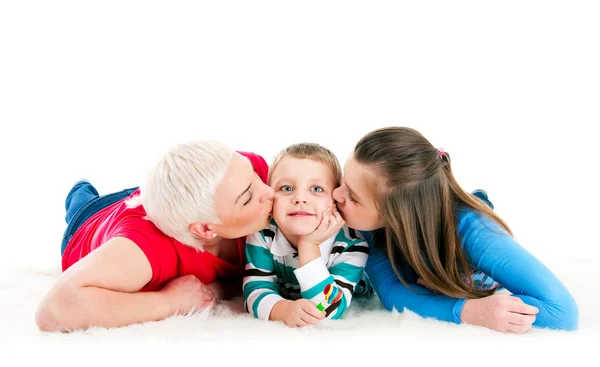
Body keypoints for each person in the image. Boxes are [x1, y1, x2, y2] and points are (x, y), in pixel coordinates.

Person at [331, 126, 579, 333]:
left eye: (352, 197)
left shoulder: (474, 231)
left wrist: (472, 310)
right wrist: (467, 309)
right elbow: (392, 293)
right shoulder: (369, 227)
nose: (335, 194)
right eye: (343, 180)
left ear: (398, 216)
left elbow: (561, 311)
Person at [35, 141, 274, 332]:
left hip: (157, 199)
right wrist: (170, 302)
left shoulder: (237, 173)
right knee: (81, 200)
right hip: (91, 221)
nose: (269, 191)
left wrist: (220, 288)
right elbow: (53, 310)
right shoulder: (145, 249)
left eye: (254, 175)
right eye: (247, 198)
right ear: (205, 229)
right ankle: (79, 189)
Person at [243, 143, 372, 328]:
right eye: (287, 188)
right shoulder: (263, 234)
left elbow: (329, 310)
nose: (300, 198)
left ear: (334, 201)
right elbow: (255, 289)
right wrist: (283, 309)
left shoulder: (352, 244)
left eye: (317, 189)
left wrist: (309, 245)